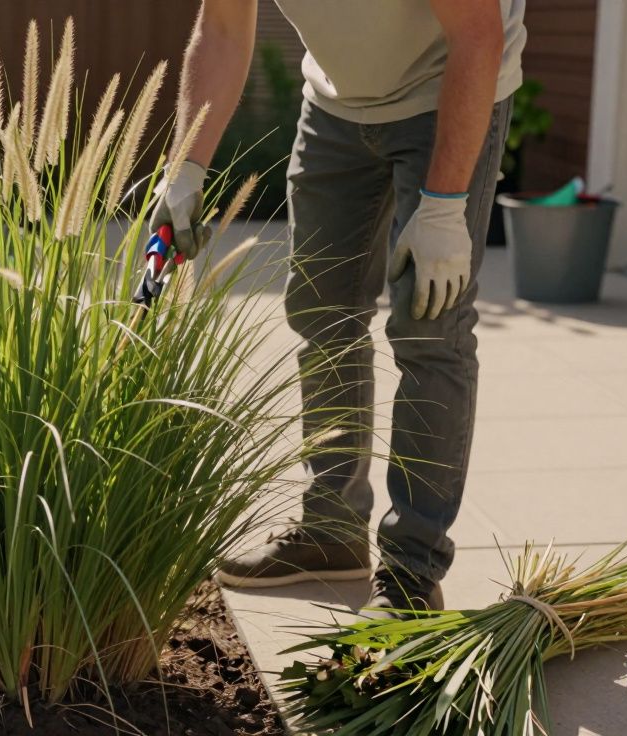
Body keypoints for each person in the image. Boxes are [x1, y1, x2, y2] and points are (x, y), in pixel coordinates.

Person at [152, 0, 526, 617]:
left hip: (449, 85)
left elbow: (478, 36)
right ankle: (332, 532)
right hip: (335, 102)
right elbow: (220, 29)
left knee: (430, 324)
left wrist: (441, 207)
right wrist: (184, 171)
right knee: (322, 314)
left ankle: (412, 569)